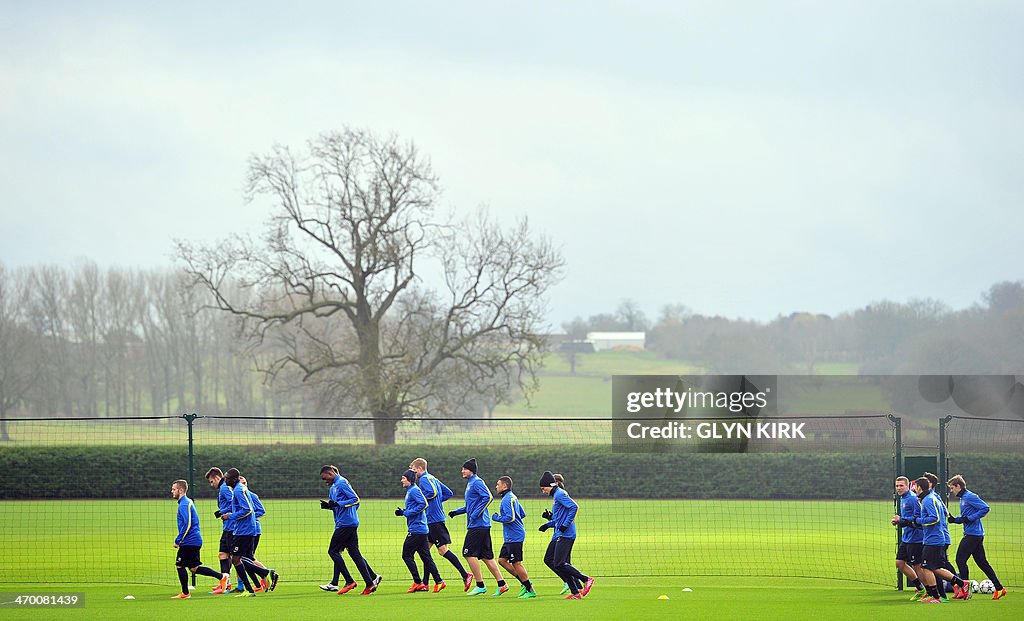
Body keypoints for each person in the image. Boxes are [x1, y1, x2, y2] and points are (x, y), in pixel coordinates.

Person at [410, 457, 472, 591]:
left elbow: (432, 493)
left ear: (420, 468)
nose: (413, 473)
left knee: (443, 551)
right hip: (433, 519)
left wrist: (422, 501)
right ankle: (425, 584)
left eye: (414, 470)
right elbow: (448, 493)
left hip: (434, 520)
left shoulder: (424, 479)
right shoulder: (433, 478)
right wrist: (436, 502)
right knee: (425, 551)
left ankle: (465, 574)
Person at [319, 465, 382, 595]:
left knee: (333, 551)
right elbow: (337, 504)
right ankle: (370, 583)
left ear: (330, 474)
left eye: (325, 478)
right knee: (354, 553)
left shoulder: (341, 483)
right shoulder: (333, 487)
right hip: (346, 523)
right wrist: (329, 506)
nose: (324, 481)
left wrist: (343, 508)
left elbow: (355, 499)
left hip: (346, 524)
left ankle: (349, 581)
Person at [448, 458, 507, 596]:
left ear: (472, 470)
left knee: (468, 553)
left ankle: (480, 585)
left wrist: (474, 514)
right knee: (487, 557)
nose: (462, 471)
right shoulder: (470, 483)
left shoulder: (477, 482)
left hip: (478, 526)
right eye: (462, 468)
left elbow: (488, 497)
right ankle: (502, 584)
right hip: (480, 525)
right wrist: (458, 512)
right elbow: (471, 505)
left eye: (465, 469)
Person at [909, 476, 970, 603]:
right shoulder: (928, 498)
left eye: (915, 486)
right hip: (933, 539)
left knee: (926, 567)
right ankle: (961, 583)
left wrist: (918, 520)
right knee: (935, 568)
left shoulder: (928, 500)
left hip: (934, 540)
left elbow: (934, 518)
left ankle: (936, 597)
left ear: (919, 487)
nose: (914, 488)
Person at [947, 475, 1007, 600]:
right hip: (975, 534)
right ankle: (1000, 588)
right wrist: (955, 520)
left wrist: (969, 518)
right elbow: (966, 516)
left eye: (952, 488)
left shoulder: (970, 496)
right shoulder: (963, 498)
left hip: (973, 535)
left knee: (960, 560)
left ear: (958, 486)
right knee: (982, 563)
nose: (951, 491)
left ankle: (965, 590)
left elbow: (985, 508)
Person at [222, 468, 277, 596]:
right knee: (239, 558)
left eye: (227, 478)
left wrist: (229, 516)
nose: (225, 480)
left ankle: (262, 576)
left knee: (236, 559)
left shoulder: (238, 490)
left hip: (245, 530)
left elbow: (247, 510)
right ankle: (251, 588)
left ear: (234, 479)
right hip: (244, 529)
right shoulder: (240, 489)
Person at [539, 470, 593, 600]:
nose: (543, 491)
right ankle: (576, 592)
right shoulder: (556, 495)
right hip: (560, 533)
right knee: (550, 560)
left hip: (565, 534)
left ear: (551, 485)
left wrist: (565, 526)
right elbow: (560, 517)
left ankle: (586, 579)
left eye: (543, 488)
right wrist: (548, 524)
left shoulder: (559, 494)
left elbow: (574, 507)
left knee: (560, 563)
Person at [170, 480, 229, 599]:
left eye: (174, 489)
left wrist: (178, 540)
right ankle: (221, 577)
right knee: (194, 568)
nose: (172, 491)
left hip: (189, 541)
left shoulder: (184, 504)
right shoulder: (186, 502)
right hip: (193, 540)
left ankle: (185, 593)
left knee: (179, 565)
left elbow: (187, 524)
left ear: (181, 490)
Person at [397, 469, 443, 593]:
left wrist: (405, 513)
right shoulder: (411, 491)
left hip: (416, 530)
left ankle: (418, 582)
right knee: (426, 556)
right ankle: (439, 581)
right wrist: (403, 511)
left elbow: (423, 504)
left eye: (403, 478)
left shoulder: (414, 490)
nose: (402, 480)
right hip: (421, 529)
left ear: (409, 480)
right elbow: (415, 506)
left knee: (406, 555)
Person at [492, 476, 535, 598]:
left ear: (505, 486)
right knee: (502, 560)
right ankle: (524, 582)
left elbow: (510, 518)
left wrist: (496, 518)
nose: (496, 486)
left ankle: (530, 590)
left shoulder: (507, 499)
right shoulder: (512, 497)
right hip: (510, 536)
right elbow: (522, 514)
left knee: (516, 563)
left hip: (514, 536)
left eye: (498, 484)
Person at [890, 476, 925, 598]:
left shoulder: (913, 499)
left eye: (901, 485)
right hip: (907, 537)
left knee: (917, 566)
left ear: (907, 485)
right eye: (897, 486)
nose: (898, 488)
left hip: (916, 537)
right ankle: (920, 587)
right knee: (899, 563)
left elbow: (919, 518)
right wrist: (898, 521)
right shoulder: (903, 498)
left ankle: (928, 591)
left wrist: (902, 520)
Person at [205, 467, 236, 594]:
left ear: (217, 478)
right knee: (223, 554)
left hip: (231, 526)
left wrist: (221, 512)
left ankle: (264, 574)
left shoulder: (224, 488)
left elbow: (234, 503)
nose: (211, 485)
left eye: (211, 482)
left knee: (236, 557)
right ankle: (225, 584)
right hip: (228, 526)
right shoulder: (224, 487)